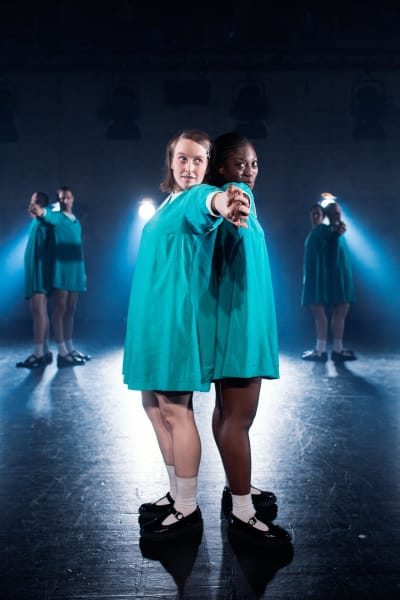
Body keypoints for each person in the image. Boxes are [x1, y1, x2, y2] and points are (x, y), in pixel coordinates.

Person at [122, 129, 251, 540]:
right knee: (153, 407)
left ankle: (188, 508)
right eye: (183, 158)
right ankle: (177, 492)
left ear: (208, 165)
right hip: (152, 319)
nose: (189, 167)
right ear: (171, 160)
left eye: (198, 160)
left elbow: (214, 203)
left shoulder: (198, 197)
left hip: (175, 321)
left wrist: (228, 203)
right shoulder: (170, 201)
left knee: (176, 410)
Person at [207, 132, 289, 545]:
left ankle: (235, 488)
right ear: (222, 167)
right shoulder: (235, 198)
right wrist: (233, 203)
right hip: (239, 325)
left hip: (237, 321)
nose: (249, 172)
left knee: (227, 414)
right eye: (240, 164)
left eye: (254, 164)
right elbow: (230, 217)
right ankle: (243, 512)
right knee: (239, 418)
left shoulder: (238, 201)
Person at [29, 186, 90, 367]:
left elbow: (78, 248)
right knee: (60, 309)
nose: (64, 200)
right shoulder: (57, 216)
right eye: (61, 198)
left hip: (76, 270)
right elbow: (45, 214)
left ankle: (70, 348)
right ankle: (62, 352)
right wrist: (38, 209)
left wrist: (82, 272)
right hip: (60, 270)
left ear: (72, 199)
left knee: (71, 309)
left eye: (67, 197)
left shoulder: (76, 222)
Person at [301, 196, 356, 362]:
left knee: (338, 309)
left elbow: (334, 231)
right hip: (319, 278)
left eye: (318, 213)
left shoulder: (326, 231)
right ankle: (323, 350)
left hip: (332, 277)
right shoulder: (320, 231)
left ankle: (330, 349)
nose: (315, 216)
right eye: (313, 213)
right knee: (321, 311)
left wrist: (337, 227)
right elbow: (331, 232)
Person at [16, 192, 53, 369]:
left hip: (40, 271)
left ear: (42, 205)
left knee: (39, 311)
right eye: (31, 202)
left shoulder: (46, 221)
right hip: (33, 271)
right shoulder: (35, 222)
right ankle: (44, 351)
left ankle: (38, 353)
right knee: (38, 311)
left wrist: (42, 214)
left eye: (35, 203)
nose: (31, 206)